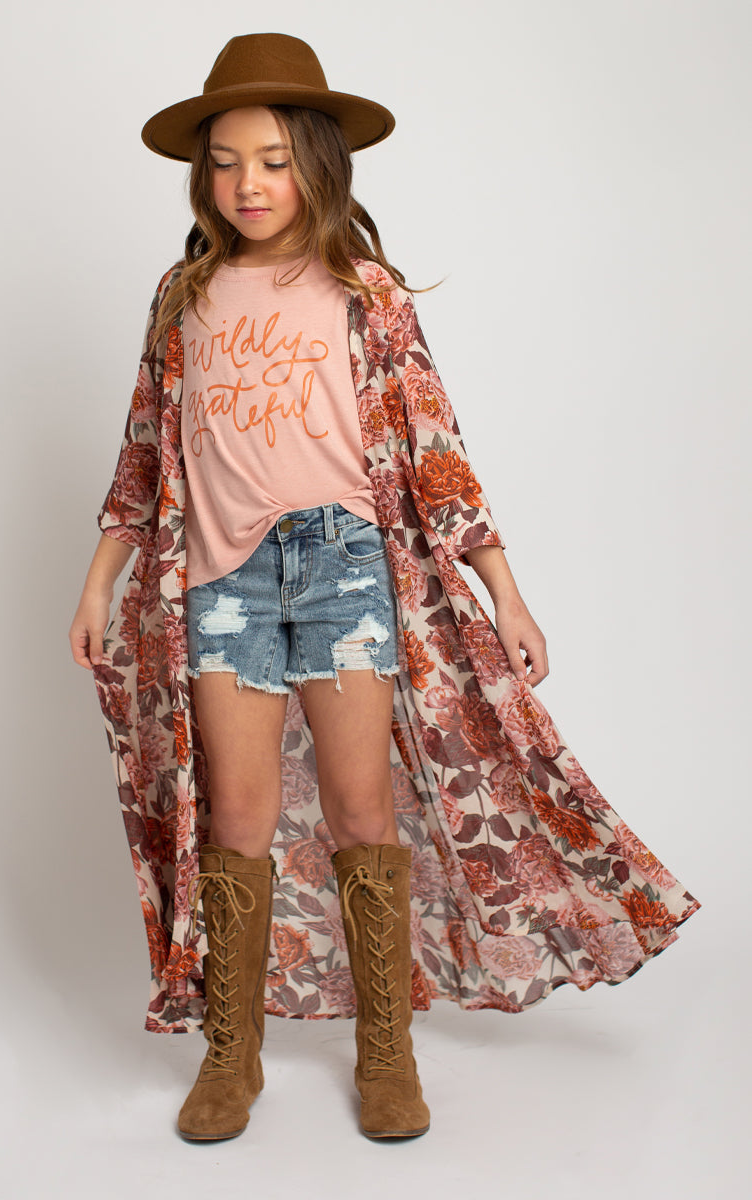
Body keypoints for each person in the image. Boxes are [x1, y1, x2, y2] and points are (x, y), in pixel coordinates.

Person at [68, 32, 701, 1144]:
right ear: (202, 175)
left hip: (343, 567)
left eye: (272, 159)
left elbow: (435, 447)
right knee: (237, 815)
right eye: (226, 161)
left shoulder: (364, 294)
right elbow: (143, 452)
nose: (248, 183)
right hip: (221, 581)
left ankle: (385, 1049)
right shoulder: (183, 295)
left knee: (361, 807)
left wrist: (504, 591)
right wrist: (98, 583)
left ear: (316, 162)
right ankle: (231, 1053)